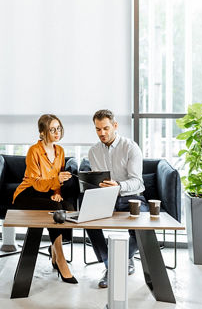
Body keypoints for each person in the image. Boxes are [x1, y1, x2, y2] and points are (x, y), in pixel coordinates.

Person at [85, 109, 149, 288]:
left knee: (143, 225)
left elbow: (137, 181)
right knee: (86, 220)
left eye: (105, 128)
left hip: (131, 197)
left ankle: (119, 261)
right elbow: (98, 179)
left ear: (115, 126)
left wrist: (119, 186)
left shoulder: (131, 147)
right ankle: (109, 263)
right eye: (98, 129)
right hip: (105, 198)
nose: (102, 133)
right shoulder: (94, 151)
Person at [13, 114, 78, 284]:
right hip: (27, 193)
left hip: (46, 192)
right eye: (52, 129)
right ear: (42, 132)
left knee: (69, 207)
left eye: (59, 128)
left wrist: (57, 191)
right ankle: (60, 259)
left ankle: (54, 249)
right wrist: (55, 183)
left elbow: (58, 178)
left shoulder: (60, 151)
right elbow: (35, 183)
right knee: (56, 209)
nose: (57, 132)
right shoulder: (34, 151)